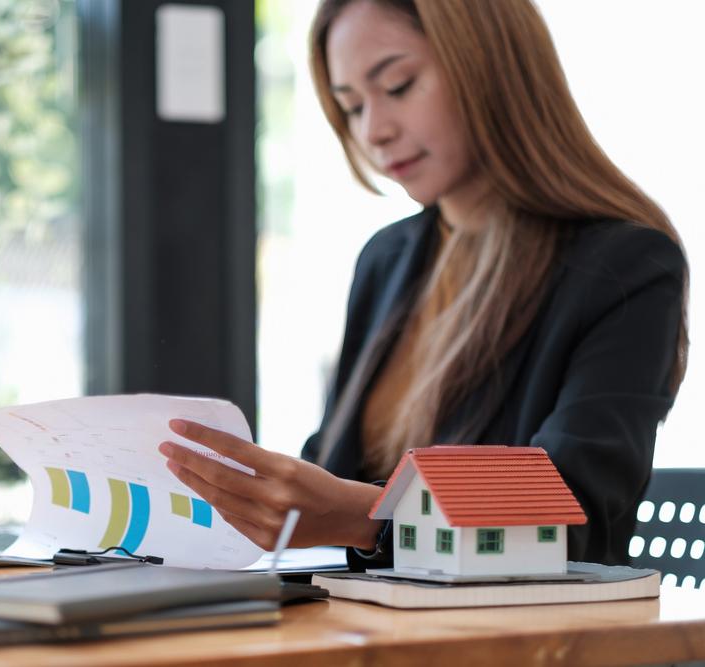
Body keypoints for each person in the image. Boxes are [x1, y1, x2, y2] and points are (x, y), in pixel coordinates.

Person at [158, 0, 688, 567]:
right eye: (352, 106)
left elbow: (569, 520)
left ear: (491, 66)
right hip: (370, 624)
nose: (373, 131)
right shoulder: (387, 258)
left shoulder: (625, 265)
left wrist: (363, 517)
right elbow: (336, 467)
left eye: (399, 85)